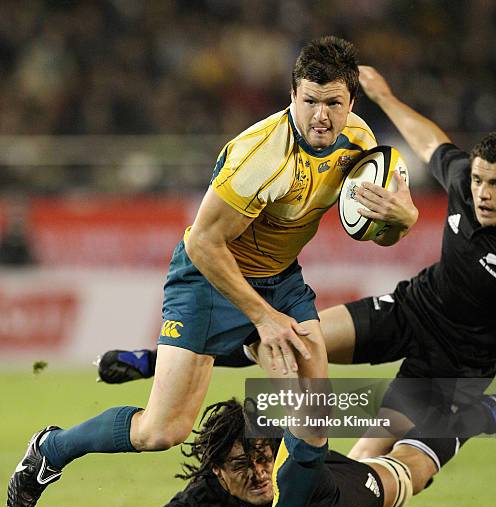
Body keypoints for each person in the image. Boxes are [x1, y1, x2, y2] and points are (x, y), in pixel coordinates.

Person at [7, 39, 417, 507]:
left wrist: (404, 218)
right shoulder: (260, 156)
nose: (322, 115)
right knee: (163, 430)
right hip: (207, 278)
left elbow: (379, 233)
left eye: (334, 103)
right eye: (311, 100)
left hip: (279, 277)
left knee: (313, 403)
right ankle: (52, 448)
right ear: (291, 96)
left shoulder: (361, 145)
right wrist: (263, 319)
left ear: (351, 104)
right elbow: (202, 243)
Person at [96, 65, 496, 459]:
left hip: (461, 358)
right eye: (481, 181)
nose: (483, 192)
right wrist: (386, 98)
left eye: (492, 185)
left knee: (367, 459)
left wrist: (407, 220)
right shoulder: (465, 182)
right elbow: (430, 145)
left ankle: (322, 491)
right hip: (413, 309)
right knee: (297, 344)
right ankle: (163, 361)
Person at [94, 399, 444, 507]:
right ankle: (399, 407)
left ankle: (469, 412)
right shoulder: (200, 503)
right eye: (241, 465)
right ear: (216, 471)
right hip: (322, 502)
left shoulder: (306, 483)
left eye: (265, 459)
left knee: (410, 470)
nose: (260, 473)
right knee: (369, 450)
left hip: (339, 493)